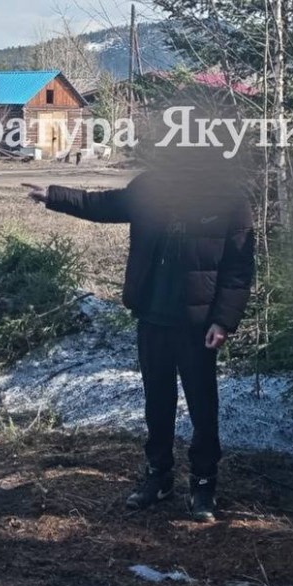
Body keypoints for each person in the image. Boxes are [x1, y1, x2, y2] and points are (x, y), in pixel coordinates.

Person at [25, 140, 254, 522]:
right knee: (157, 403)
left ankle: (203, 484)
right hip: (153, 316)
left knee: (203, 407)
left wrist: (223, 320)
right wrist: (54, 195)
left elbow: (239, 268)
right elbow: (102, 205)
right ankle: (158, 475)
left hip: (198, 325)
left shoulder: (230, 199)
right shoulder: (151, 187)